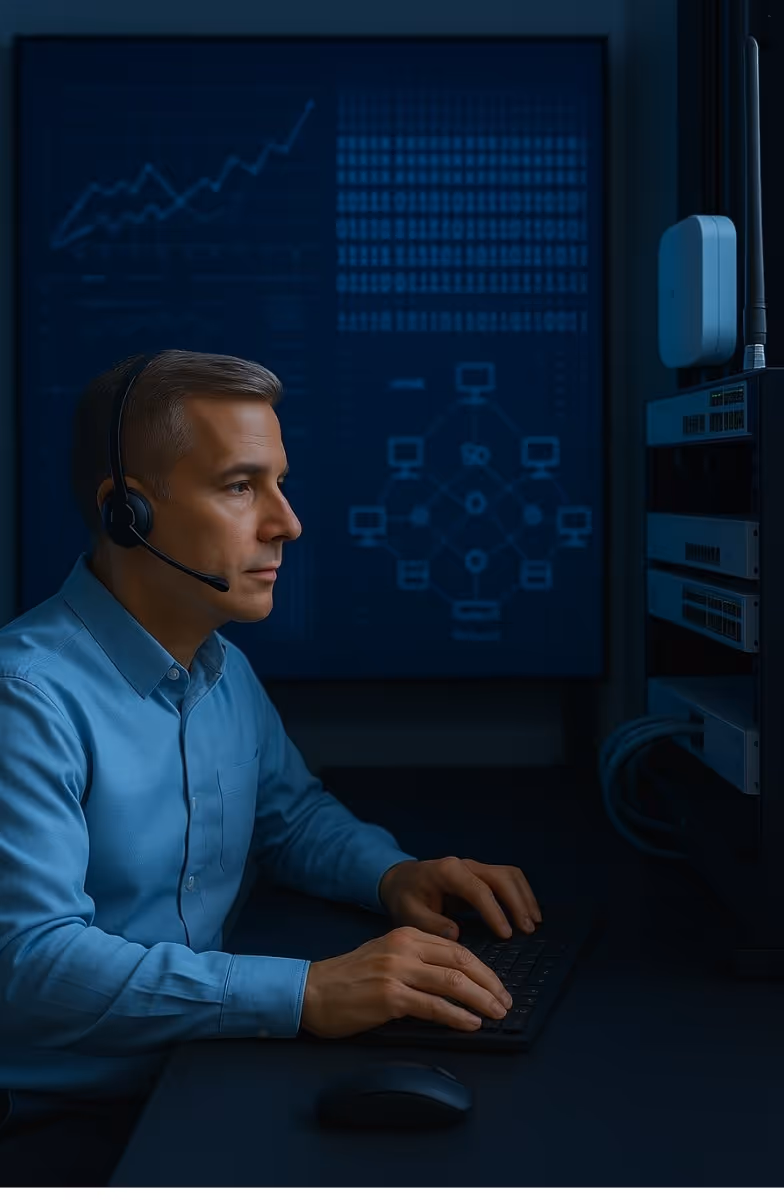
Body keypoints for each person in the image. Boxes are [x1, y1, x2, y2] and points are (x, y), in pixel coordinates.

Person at [0, 350, 541, 1185]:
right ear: (127, 514)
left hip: (190, 1081)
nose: (287, 522)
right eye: (242, 486)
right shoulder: (26, 699)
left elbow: (289, 818)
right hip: (54, 1131)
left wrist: (394, 874)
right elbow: (30, 964)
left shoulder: (221, 671)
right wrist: (305, 993)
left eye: (279, 484)